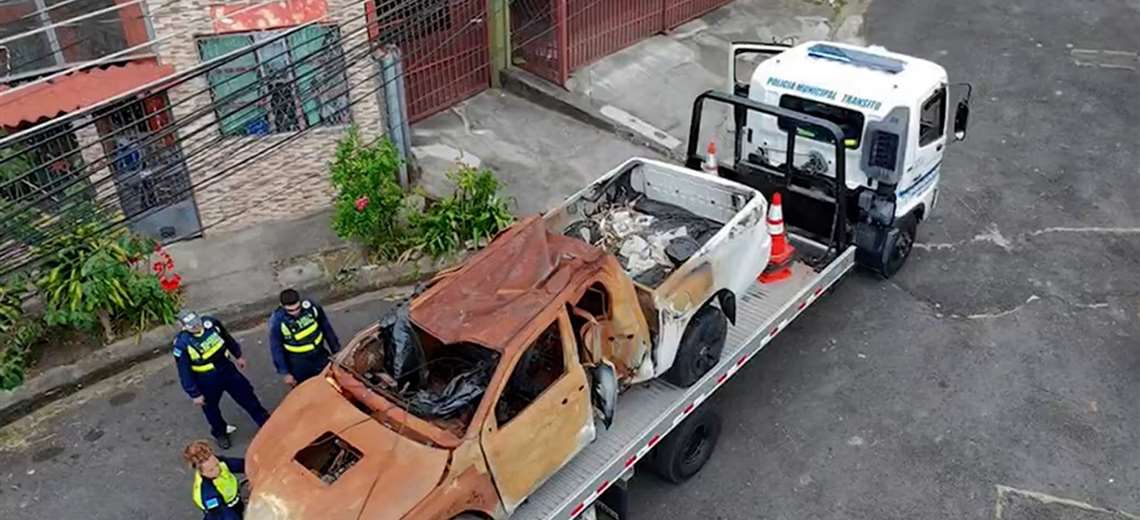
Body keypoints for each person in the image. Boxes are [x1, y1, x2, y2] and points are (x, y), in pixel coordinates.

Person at [174, 310, 269, 449]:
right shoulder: (182, 344)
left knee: (247, 395)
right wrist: (194, 393)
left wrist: (238, 355)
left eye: (197, 323)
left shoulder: (211, 324)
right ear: (184, 327)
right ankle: (220, 433)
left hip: (227, 369)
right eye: (192, 326)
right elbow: (184, 371)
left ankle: (264, 421)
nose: (197, 327)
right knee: (211, 409)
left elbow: (227, 338)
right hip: (206, 379)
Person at [268, 289, 341, 387]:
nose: (295, 312)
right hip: (299, 362)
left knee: (333, 381)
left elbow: (326, 327)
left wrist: (336, 350)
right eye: (290, 310)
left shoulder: (311, 308)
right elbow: (276, 348)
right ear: (282, 306)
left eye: (297, 308)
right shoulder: (277, 321)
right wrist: (285, 372)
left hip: (320, 354)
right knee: (306, 388)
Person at [183, 440, 246, 520]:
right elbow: (225, 515)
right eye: (211, 470)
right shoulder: (209, 494)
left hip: (233, 502)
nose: (217, 470)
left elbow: (240, 464)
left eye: (216, 464)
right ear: (200, 471)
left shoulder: (219, 462)